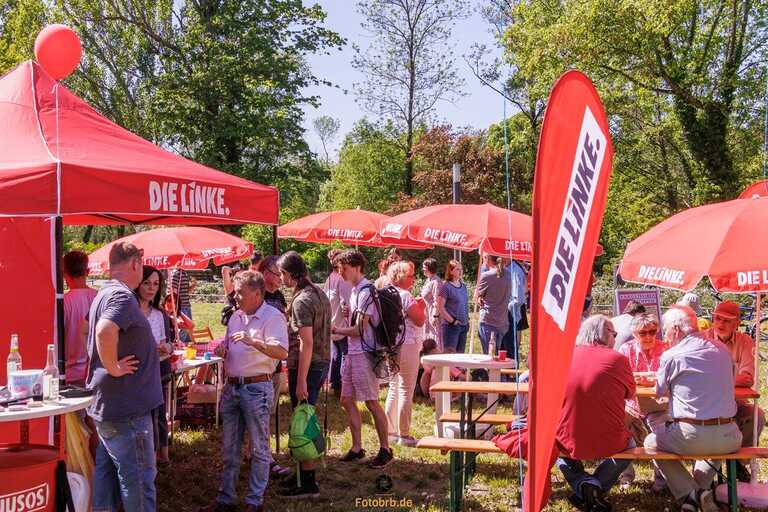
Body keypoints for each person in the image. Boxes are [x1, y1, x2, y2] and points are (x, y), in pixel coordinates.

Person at [202, 271, 289, 512]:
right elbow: (231, 346)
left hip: (257, 388)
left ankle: (254, 501)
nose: (235, 296)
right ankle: (226, 499)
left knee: (260, 447)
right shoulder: (235, 317)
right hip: (232, 387)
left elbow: (282, 352)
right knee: (230, 449)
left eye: (240, 292)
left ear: (258, 293)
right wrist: (222, 350)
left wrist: (255, 342)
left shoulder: (273, 317)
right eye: (235, 291)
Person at [87, 242, 163, 511]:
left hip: (112, 406)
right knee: (139, 481)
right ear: (135, 264)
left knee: (107, 477)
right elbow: (104, 330)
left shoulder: (104, 292)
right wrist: (113, 366)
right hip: (127, 409)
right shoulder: (121, 296)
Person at [644, 306, 741, 512]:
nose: (665, 335)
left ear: (677, 329)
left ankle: (691, 493)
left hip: (690, 436)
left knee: (650, 442)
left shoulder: (672, 355)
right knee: (713, 446)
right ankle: (700, 492)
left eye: (666, 330)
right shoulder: (723, 350)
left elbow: (658, 392)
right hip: (730, 437)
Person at [554, 315, 636, 512]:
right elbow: (630, 393)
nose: (616, 338)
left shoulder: (564, 356)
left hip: (568, 435)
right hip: (609, 438)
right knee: (631, 447)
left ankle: (585, 485)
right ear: (604, 334)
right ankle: (594, 486)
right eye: (614, 333)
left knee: (556, 446)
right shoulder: (618, 359)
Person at [330, 250, 393, 469]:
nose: (340, 273)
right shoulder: (356, 290)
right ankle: (357, 448)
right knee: (346, 399)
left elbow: (359, 329)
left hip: (365, 353)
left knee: (371, 402)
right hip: (352, 352)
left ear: (355, 267)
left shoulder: (366, 291)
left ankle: (385, 449)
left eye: (343, 268)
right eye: (339, 269)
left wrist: (336, 329)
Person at [276, 251, 332, 498]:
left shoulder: (301, 301)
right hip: (321, 362)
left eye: (281, 274)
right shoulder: (319, 293)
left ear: (290, 274)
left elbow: (306, 343)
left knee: (302, 421)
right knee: (304, 417)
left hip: (308, 365)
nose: (280, 278)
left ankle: (308, 483)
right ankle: (301, 474)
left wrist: (300, 381)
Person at [702, 300, 766, 480]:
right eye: (718, 319)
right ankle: (711, 468)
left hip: (736, 404)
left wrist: (714, 380)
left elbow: (747, 378)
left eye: (727, 320)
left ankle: (737, 461)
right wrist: (728, 380)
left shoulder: (745, 341)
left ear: (737, 323)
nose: (720, 324)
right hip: (707, 408)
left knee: (758, 416)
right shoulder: (702, 339)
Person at [616, 313, 667, 490]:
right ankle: (626, 475)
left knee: (661, 434)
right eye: (642, 333)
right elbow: (621, 377)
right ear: (634, 334)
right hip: (631, 405)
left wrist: (646, 379)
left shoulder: (666, 349)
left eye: (652, 332)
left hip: (658, 405)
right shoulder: (625, 349)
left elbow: (668, 379)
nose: (648, 336)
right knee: (617, 427)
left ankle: (661, 480)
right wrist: (650, 378)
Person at [135, 265, 174, 464]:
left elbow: (169, 343)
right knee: (142, 417)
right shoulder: (130, 312)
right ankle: (145, 457)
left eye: (156, 284)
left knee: (159, 413)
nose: (151, 288)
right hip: (136, 373)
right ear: (138, 284)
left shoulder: (160, 314)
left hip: (159, 369)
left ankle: (162, 455)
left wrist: (166, 347)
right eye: (147, 283)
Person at [384, 261, 426, 447]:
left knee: (394, 386)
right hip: (408, 344)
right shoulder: (405, 295)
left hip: (391, 344)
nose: (413, 278)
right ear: (400, 277)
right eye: (410, 275)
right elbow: (419, 320)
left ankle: (389, 431)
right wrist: (421, 306)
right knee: (405, 389)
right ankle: (405, 434)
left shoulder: (386, 293)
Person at [63, 250, 98, 386]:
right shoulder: (99, 297)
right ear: (87, 271)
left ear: (64, 274)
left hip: (70, 374)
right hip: (97, 369)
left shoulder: (63, 302)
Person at [324, 249, 352, 396]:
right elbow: (348, 301)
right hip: (341, 324)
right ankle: (341, 385)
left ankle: (334, 383)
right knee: (344, 355)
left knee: (336, 353)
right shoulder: (341, 279)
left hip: (332, 322)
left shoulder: (330, 278)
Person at [475, 254, 512, 355]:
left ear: (488, 259)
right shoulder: (509, 274)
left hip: (489, 321)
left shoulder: (487, 276)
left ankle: (489, 371)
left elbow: (476, 296)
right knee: (495, 355)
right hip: (502, 321)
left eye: (485, 257)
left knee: (489, 357)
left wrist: (480, 298)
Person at [436, 260, 469, 354]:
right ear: (450, 271)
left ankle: (459, 369)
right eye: (457, 269)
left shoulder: (463, 286)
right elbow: (440, 307)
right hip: (451, 326)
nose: (460, 271)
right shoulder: (446, 287)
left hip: (464, 325)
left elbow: (464, 304)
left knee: (460, 355)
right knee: (450, 355)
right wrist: (453, 321)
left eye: (461, 269)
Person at [500, 259, 527, 361]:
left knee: (510, 349)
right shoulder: (505, 268)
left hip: (510, 314)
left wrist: (505, 306)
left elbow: (518, 298)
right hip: (503, 315)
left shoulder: (515, 270)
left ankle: (511, 375)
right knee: (502, 349)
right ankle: (504, 375)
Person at [420, 257, 443, 348]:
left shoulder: (436, 282)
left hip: (432, 313)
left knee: (434, 336)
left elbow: (437, 300)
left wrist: (435, 316)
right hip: (426, 313)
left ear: (430, 268)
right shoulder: (428, 280)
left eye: (424, 268)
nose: (423, 270)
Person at [169, 268, 193, 342]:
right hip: (181, 306)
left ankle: (187, 348)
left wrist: (193, 286)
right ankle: (180, 347)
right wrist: (175, 307)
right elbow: (173, 291)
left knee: (189, 328)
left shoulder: (184, 273)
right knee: (183, 330)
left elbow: (185, 291)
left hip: (186, 305)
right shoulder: (176, 274)